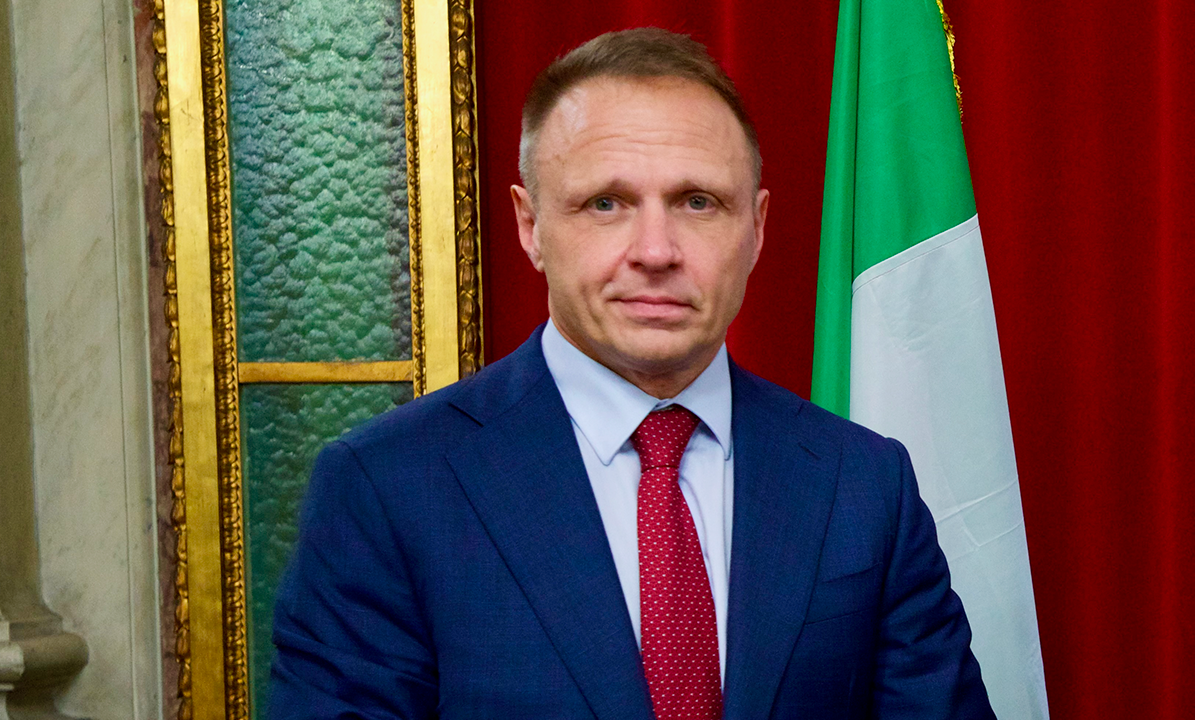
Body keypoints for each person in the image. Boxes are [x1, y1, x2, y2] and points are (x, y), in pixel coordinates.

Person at [269, 28, 995, 719]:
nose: (655, 251)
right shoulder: (386, 487)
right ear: (530, 226)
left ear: (755, 228)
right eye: (606, 204)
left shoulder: (864, 484)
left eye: (697, 202)